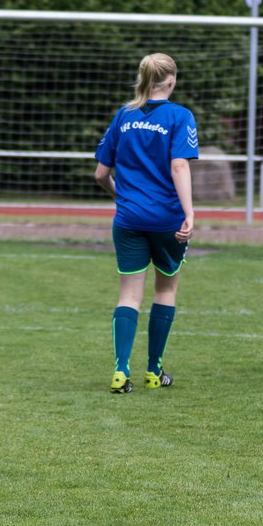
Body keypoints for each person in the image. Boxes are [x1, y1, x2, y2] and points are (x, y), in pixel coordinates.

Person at [93, 52, 197, 394]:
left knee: (129, 295)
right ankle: (154, 371)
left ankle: (121, 371)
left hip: (128, 218)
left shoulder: (124, 116)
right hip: (167, 218)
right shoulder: (180, 116)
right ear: (170, 80)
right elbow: (179, 167)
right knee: (165, 290)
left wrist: (120, 194)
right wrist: (190, 212)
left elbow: (101, 173)